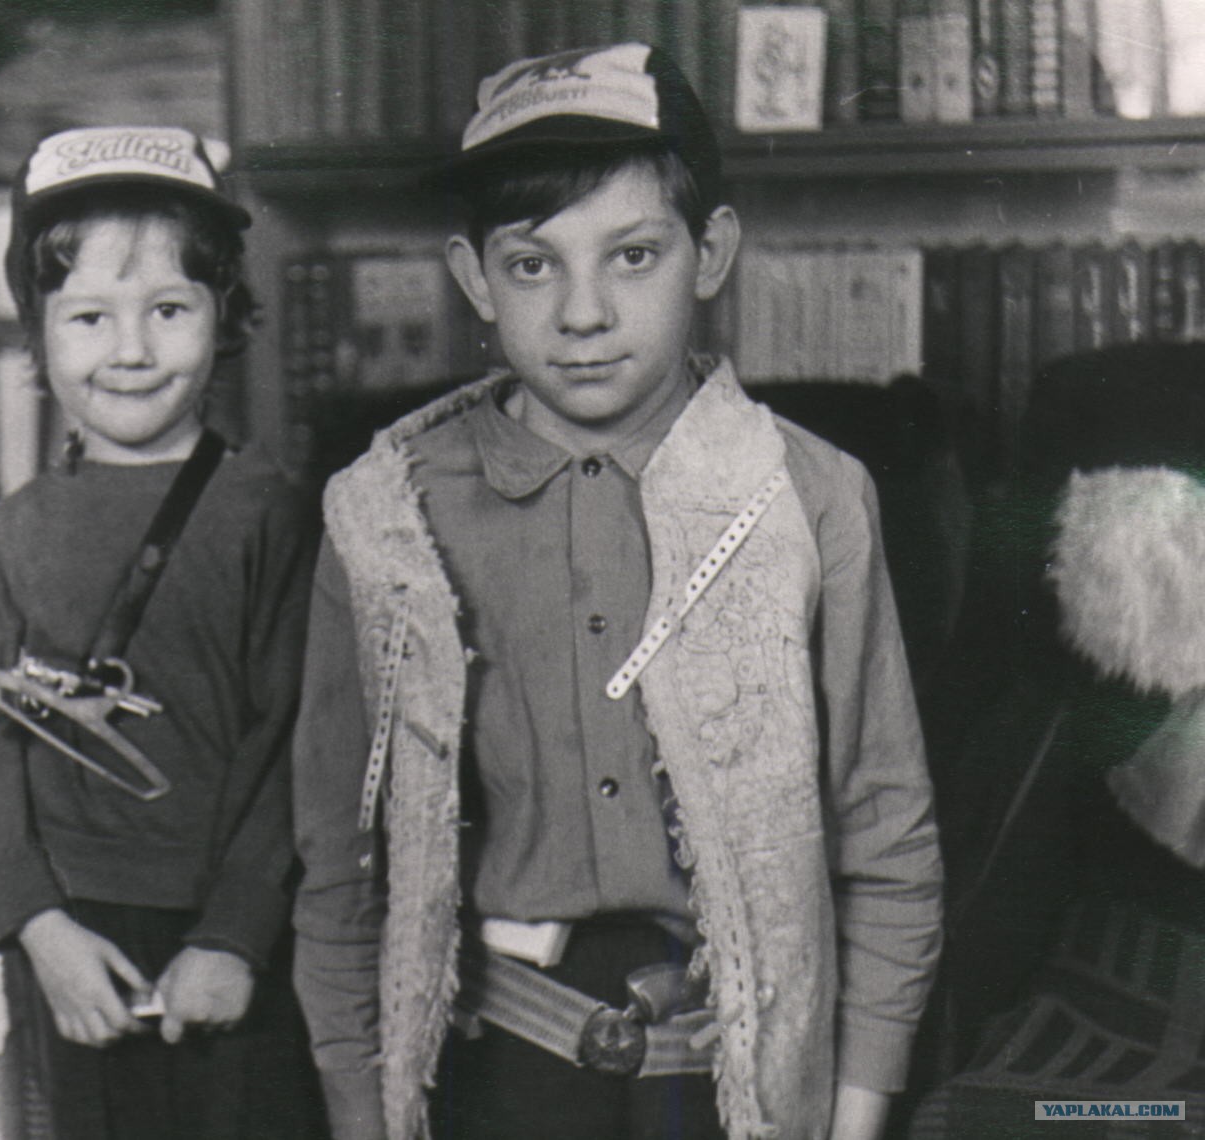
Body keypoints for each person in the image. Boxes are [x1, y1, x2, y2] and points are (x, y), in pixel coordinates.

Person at [290, 43, 943, 1140]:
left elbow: (884, 840)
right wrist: (366, 1118)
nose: (583, 312)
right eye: (532, 265)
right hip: (494, 1080)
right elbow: (339, 861)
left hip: (739, 1089)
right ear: (472, 279)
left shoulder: (814, 496)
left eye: (633, 256)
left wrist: (854, 1119)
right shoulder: (386, 512)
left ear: (711, 252)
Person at [0, 125, 319, 1139]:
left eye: (168, 309)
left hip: (235, 929)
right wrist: (38, 928)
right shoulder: (9, 536)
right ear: (38, 333)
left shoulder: (272, 515)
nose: (131, 351)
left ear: (224, 313)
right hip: (69, 940)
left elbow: (299, 740)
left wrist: (235, 936)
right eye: (88, 317)